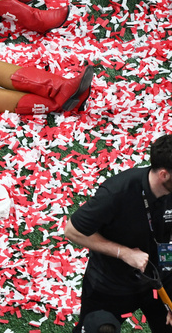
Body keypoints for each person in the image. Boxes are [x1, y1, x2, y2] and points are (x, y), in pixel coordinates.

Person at [64, 134, 172, 333]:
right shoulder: (117, 192)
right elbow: (72, 230)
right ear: (164, 175)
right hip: (110, 286)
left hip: (161, 278)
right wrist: (124, 252)